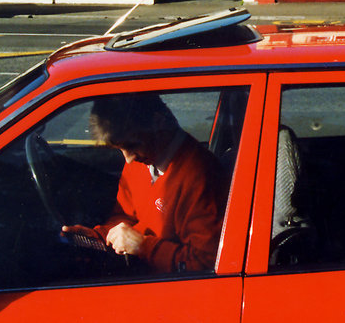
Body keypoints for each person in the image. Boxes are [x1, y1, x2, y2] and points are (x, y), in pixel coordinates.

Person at [62, 94, 226, 273]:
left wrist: (143, 246)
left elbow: (206, 264)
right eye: (121, 149)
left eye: (132, 146)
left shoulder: (200, 176)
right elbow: (126, 215)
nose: (128, 159)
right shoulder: (145, 158)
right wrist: (99, 238)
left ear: (158, 122)